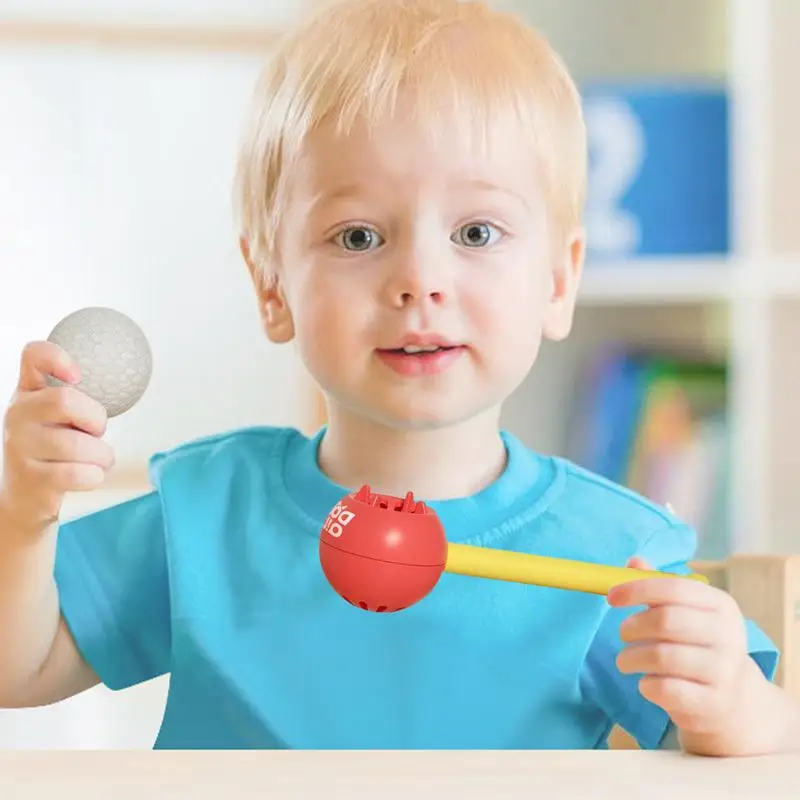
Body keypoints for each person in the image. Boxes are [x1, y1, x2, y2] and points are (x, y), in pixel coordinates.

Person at [0, 0, 794, 754]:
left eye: (476, 231)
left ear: (558, 281)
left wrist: (734, 704)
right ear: (272, 286)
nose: (419, 279)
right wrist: (24, 513)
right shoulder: (205, 516)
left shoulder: (612, 556)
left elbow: (767, 743)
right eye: (358, 236)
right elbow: (19, 668)